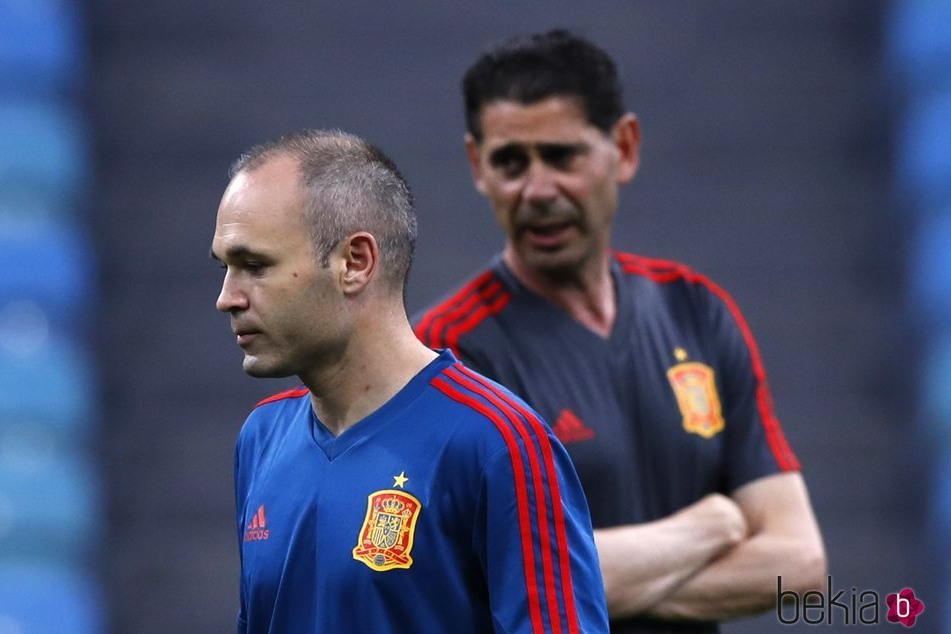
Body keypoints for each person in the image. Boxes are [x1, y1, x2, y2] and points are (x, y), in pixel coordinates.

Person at [413, 30, 827, 633]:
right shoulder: (447, 354)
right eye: (510, 162)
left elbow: (801, 564)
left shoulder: (697, 311)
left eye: (561, 156)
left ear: (624, 148)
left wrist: (579, 584)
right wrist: (707, 528)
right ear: (477, 166)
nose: (537, 189)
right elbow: (472, 584)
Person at [211, 129, 609, 634]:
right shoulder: (261, 438)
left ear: (355, 262)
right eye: (226, 268)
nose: (227, 297)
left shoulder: (497, 443)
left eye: (254, 266)